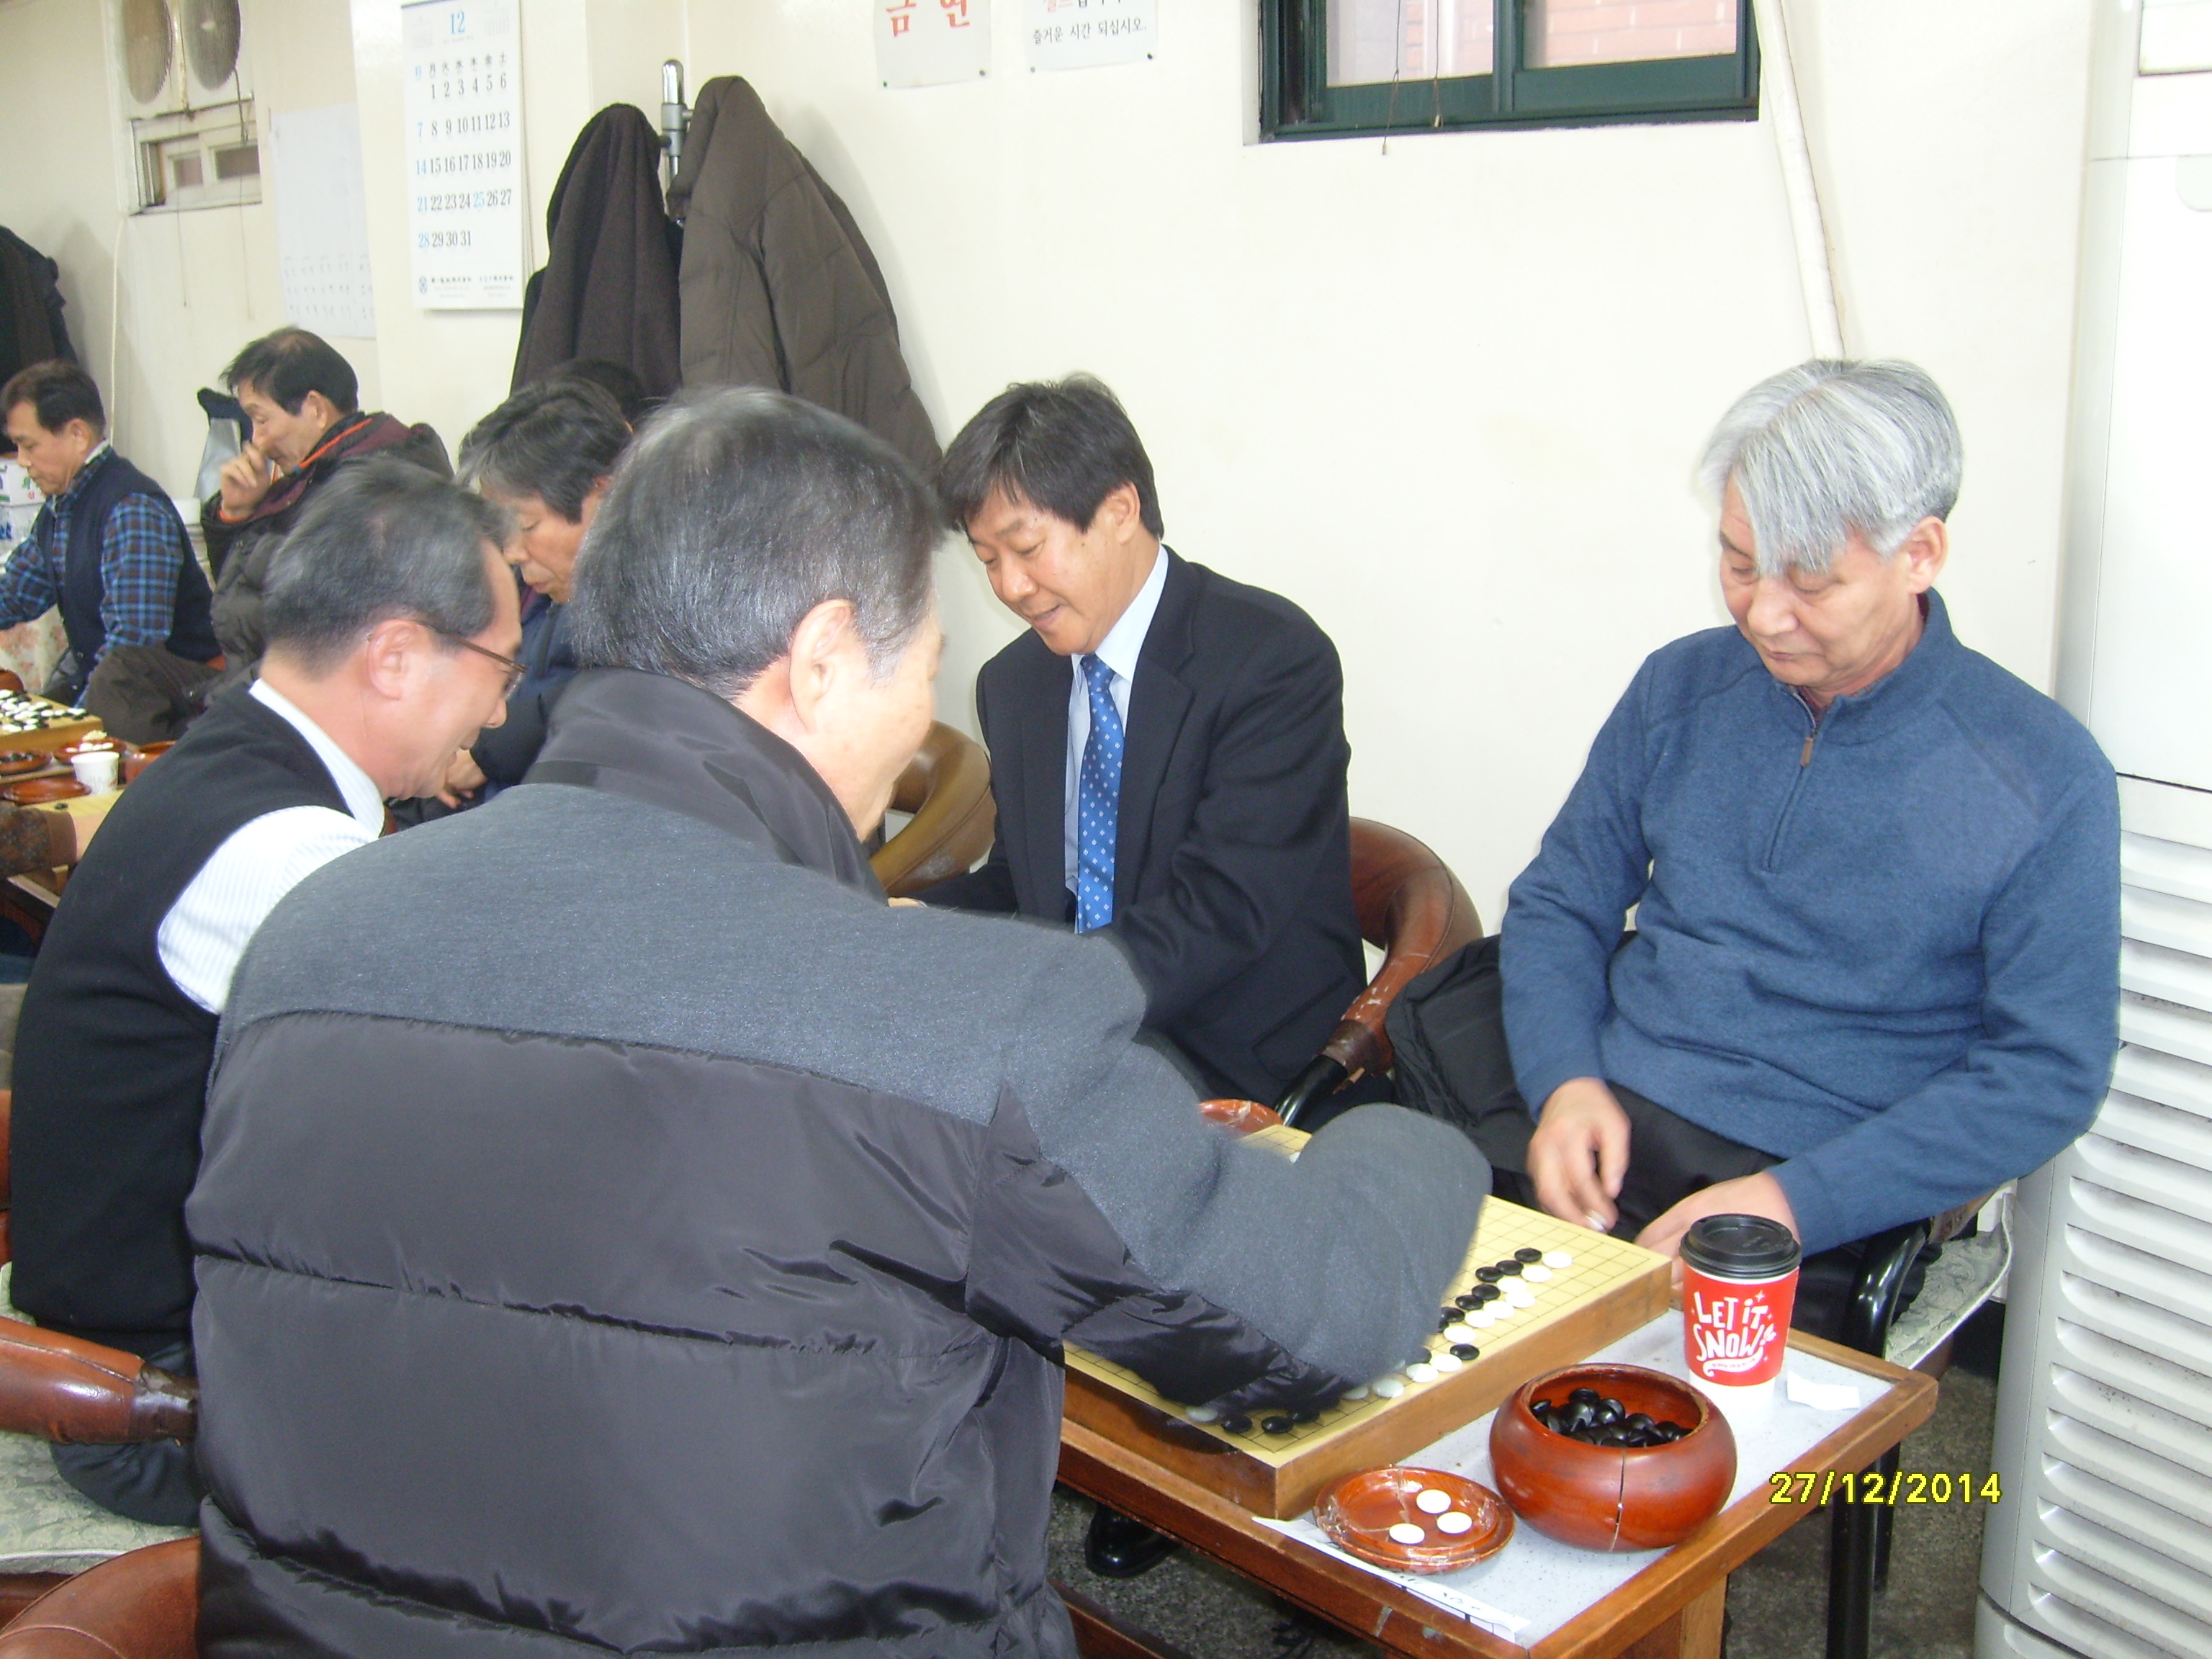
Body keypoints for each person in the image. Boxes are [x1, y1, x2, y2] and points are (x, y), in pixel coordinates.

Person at [184, 390, 1485, 1658]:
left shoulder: (309, 934)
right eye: (923, 664)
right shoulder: (951, 1026)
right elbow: (1321, 1312)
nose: (930, 705)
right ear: (820, 661)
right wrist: (1417, 1134)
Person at [1465, 359, 2118, 1339]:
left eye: (1811, 580)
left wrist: (1793, 1204)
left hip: (1828, 1180)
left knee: (1669, 1417)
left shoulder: (2041, 772)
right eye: (1739, 563)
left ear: (1920, 554)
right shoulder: (1682, 688)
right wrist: (1564, 1084)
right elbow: (1562, 899)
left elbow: (2047, 1071)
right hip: (1610, 1118)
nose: (1763, 614)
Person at [8, 460, 521, 1525]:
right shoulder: (282, 849)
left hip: (143, 1326)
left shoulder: (231, 759)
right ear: (395, 655)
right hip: (166, 1402)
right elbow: (445, 1129)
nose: (505, 705)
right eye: (500, 667)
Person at [924, 376, 1364, 1111]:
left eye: (1026, 548)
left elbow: (1223, 911)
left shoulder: (1270, 660)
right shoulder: (1014, 683)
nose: (1011, 586)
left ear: (1120, 510)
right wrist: (911, 930)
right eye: (987, 559)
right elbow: (1029, 883)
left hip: (1233, 1055)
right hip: (1080, 1033)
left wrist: (1044, 998)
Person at [199, 328, 451, 696]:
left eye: (262, 419)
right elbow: (240, 593)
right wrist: (237, 513)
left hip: (312, 685)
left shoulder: (366, 486)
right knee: (131, 673)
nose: (257, 440)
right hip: (260, 668)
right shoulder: (312, 473)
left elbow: (322, 638)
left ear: (316, 409)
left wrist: (225, 702)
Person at [0, 361, 220, 739]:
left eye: (30, 445)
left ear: (77, 434)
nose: (22, 461)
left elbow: (134, 640)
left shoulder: (131, 508)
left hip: (173, 700)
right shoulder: (62, 506)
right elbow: (18, 592)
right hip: (110, 687)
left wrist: (76, 723)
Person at [435, 377, 629, 806]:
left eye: (527, 525)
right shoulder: (562, 590)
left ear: (603, 494)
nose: (513, 552)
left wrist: (488, 750)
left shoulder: (655, 614)